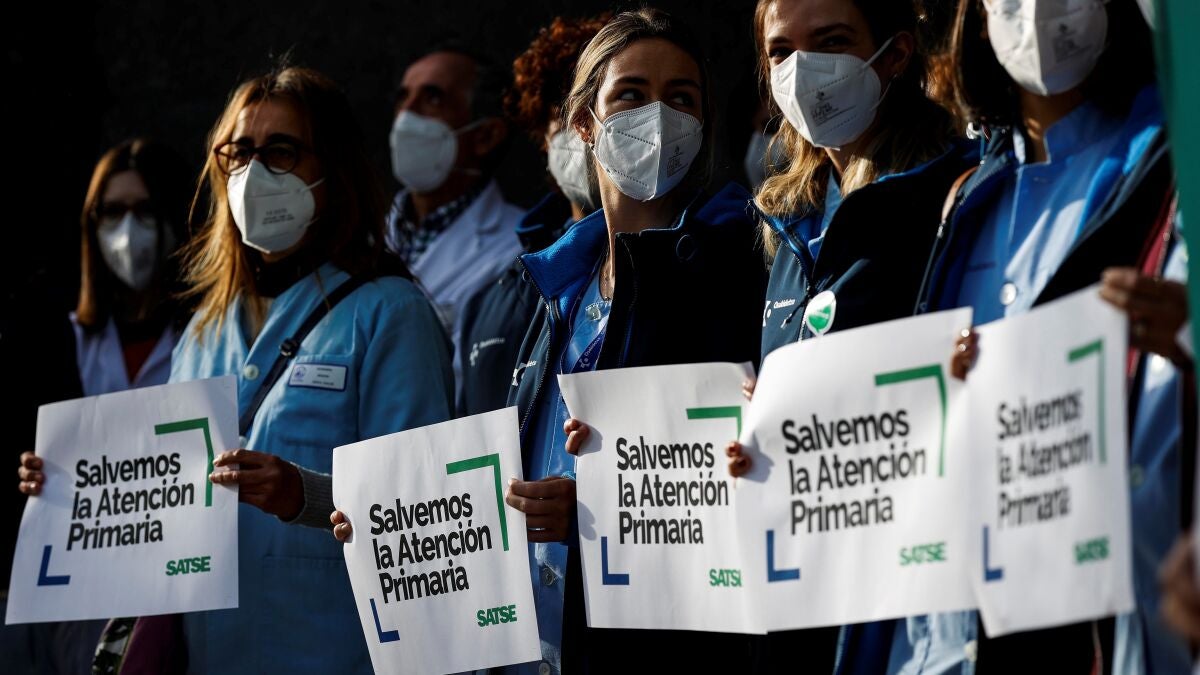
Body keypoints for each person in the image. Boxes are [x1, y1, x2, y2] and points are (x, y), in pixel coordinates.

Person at [914, 0, 1172, 671]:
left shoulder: (1164, 165)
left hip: (1105, 616)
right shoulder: (967, 199)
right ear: (977, 16)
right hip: (957, 634)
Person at [173, 65, 452, 673]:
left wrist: (306, 495)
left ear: (333, 169)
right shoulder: (202, 331)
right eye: (238, 153)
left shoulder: (389, 313)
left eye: (281, 152)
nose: (253, 174)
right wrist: (67, 488)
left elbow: (426, 513)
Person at [13, 138, 192, 674]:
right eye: (111, 212)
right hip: (77, 590)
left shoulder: (206, 334)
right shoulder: (54, 337)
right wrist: (31, 474)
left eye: (144, 210)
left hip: (176, 588)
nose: (127, 230)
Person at [457, 14, 608, 417]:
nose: (584, 127)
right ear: (543, 136)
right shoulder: (492, 300)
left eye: (599, 103)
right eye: (565, 110)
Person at [385, 45, 524, 386]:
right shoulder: (366, 232)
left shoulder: (521, 250)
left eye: (432, 98)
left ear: (486, 135)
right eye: (403, 97)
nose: (406, 114)